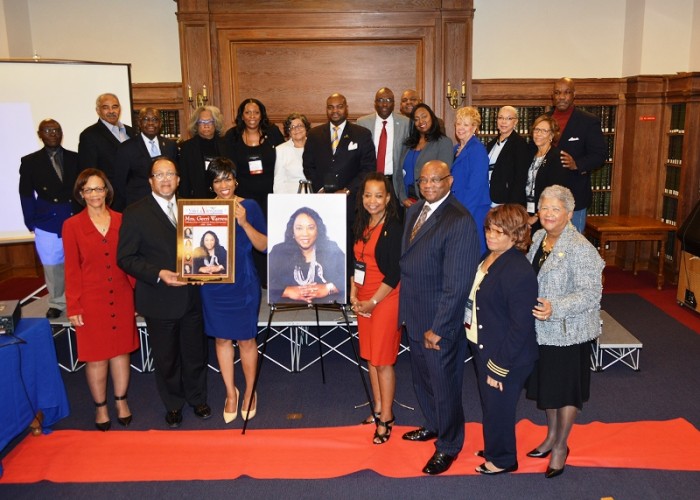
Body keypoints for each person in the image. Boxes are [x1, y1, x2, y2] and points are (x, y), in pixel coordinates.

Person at [117, 158, 211, 428]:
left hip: (191, 298)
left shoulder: (193, 209)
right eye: (160, 174)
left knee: (195, 354)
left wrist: (206, 269)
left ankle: (198, 399)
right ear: (150, 181)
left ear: (179, 179)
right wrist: (159, 273)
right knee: (167, 358)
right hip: (158, 298)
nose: (166, 179)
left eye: (171, 173)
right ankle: (173, 404)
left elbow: (207, 245)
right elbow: (126, 257)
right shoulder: (135, 212)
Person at [400, 160, 479, 475]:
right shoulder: (414, 211)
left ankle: (449, 445)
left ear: (450, 180)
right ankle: (433, 425)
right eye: (424, 180)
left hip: (438, 323)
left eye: (436, 179)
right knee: (423, 379)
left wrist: (440, 328)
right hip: (415, 315)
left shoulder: (459, 220)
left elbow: (458, 283)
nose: (429, 185)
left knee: (445, 385)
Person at [526, 185, 604, 478]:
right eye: (544, 207)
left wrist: (555, 307)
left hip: (569, 332)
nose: (547, 214)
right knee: (549, 387)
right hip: (542, 330)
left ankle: (561, 445)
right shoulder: (538, 238)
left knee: (566, 391)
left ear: (569, 214)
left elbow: (591, 295)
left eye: (554, 209)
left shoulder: (581, 248)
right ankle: (549, 436)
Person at [62, 169, 139, 431]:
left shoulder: (122, 219)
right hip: (91, 299)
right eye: (88, 190)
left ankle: (121, 402)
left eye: (99, 188)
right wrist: (73, 305)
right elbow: (71, 269)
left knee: (120, 353)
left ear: (107, 190)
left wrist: (137, 295)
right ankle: (101, 407)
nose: (94, 194)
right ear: (81, 194)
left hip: (121, 295)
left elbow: (131, 260)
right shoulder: (72, 226)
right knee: (96, 357)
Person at [466, 204, 538, 475]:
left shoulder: (519, 272)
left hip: (506, 355)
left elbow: (521, 328)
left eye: (499, 231)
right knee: (491, 404)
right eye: (489, 229)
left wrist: (498, 366)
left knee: (500, 408)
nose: (491, 235)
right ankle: (496, 446)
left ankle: (504, 459)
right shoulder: (492, 256)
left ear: (516, 235)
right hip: (484, 343)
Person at [199, 158, 267, 423]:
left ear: (236, 180)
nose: (223, 185)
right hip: (213, 286)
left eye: (227, 178)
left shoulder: (249, 206)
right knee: (221, 339)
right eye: (217, 180)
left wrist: (245, 223)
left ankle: (250, 391)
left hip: (244, 284)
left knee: (247, 339)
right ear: (211, 185)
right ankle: (230, 392)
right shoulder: (203, 210)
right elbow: (193, 250)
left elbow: (265, 245)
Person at [349, 172, 402, 444]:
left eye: (378, 196)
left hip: (385, 298)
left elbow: (394, 273)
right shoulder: (361, 222)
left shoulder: (393, 227)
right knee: (370, 357)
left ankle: (388, 417)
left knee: (383, 360)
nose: (372, 200)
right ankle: (378, 407)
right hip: (364, 297)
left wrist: (372, 301)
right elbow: (355, 261)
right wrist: (354, 293)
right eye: (368, 195)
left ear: (388, 198)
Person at [19, 119, 80, 319]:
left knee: (79, 262)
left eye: (56, 130)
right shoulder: (30, 161)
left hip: (74, 216)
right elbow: (26, 194)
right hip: (48, 221)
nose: (53, 133)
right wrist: (31, 222)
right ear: (40, 134)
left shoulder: (76, 158)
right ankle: (57, 301)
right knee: (53, 265)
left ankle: (79, 299)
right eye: (48, 130)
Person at [548, 78, 607, 232]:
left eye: (566, 92)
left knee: (572, 248)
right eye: (557, 93)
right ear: (552, 96)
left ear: (574, 94)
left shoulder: (588, 121)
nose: (561, 97)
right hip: (547, 197)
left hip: (575, 197)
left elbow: (599, 155)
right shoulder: (544, 120)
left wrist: (578, 164)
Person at [268, 207, 345, 304]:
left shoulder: (330, 249)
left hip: (325, 312)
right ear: (292, 231)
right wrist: (287, 291)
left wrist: (329, 287)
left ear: (318, 231)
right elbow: (266, 279)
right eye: (299, 228)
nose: (305, 234)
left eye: (311, 228)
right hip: (288, 313)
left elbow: (347, 276)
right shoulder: (279, 252)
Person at [113, 107, 178, 211]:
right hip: (138, 205)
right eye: (146, 119)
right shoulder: (126, 148)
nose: (150, 123)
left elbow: (175, 175)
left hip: (166, 204)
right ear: (139, 123)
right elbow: (120, 183)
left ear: (160, 123)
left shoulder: (170, 146)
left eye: (155, 119)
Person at [394, 103, 453, 208]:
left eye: (424, 116)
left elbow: (442, 177)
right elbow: (399, 173)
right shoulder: (407, 144)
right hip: (408, 202)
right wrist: (403, 198)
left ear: (432, 117)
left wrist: (426, 202)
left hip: (430, 203)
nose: (421, 121)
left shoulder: (444, 143)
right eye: (416, 119)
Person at [450, 106, 491, 255]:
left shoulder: (477, 150)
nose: (461, 128)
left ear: (474, 128)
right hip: (457, 208)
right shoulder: (455, 149)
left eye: (466, 124)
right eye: (459, 123)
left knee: (472, 252)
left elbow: (476, 187)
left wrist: (463, 214)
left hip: (472, 210)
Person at [356, 88, 410, 196]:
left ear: (394, 104)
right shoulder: (362, 122)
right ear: (375, 103)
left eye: (389, 100)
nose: (385, 104)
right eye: (380, 100)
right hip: (369, 181)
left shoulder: (405, 123)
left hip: (394, 183)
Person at [78, 93, 135, 193]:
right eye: (106, 107)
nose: (111, 111)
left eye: (115, 107)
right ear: (98, 111)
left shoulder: (132, 132)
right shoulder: (89, 135)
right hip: (111, 196)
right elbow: (90, 172)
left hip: (135, 194)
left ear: (120, 109)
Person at [525, 115, 571, 230]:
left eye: (544, 131)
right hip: (528, 210)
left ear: (551, 135)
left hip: (546, 215)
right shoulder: (529, 154)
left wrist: (537, 215)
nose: (538, 134)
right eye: (536, 130)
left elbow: (555, 192)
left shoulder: (556, 157)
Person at [179, 106, 231, 199]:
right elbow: (184, 180)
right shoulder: (187, 148)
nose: (206, 125)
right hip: (197, 199)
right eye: (202, 122)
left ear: (215, 123)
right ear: (196, 125)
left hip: (222, 197)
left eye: (209, 121)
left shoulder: (227, 145)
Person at [486, 106, 530, 207]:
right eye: (500, 118)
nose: (503, 122)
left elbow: (521, 177)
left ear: (515, 122)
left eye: (509, 118)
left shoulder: (519, 144)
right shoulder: (491, 144)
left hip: (505, 201)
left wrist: (512, 205)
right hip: (488, 196)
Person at [273, 113, 311, 194]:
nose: (297, 129)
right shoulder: (280, 150)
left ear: (306, 128)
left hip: (315, 196)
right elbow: (278, 181)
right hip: (291, 198)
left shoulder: (316, 146)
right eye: (292, 127)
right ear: (289, 132)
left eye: (300, 125)